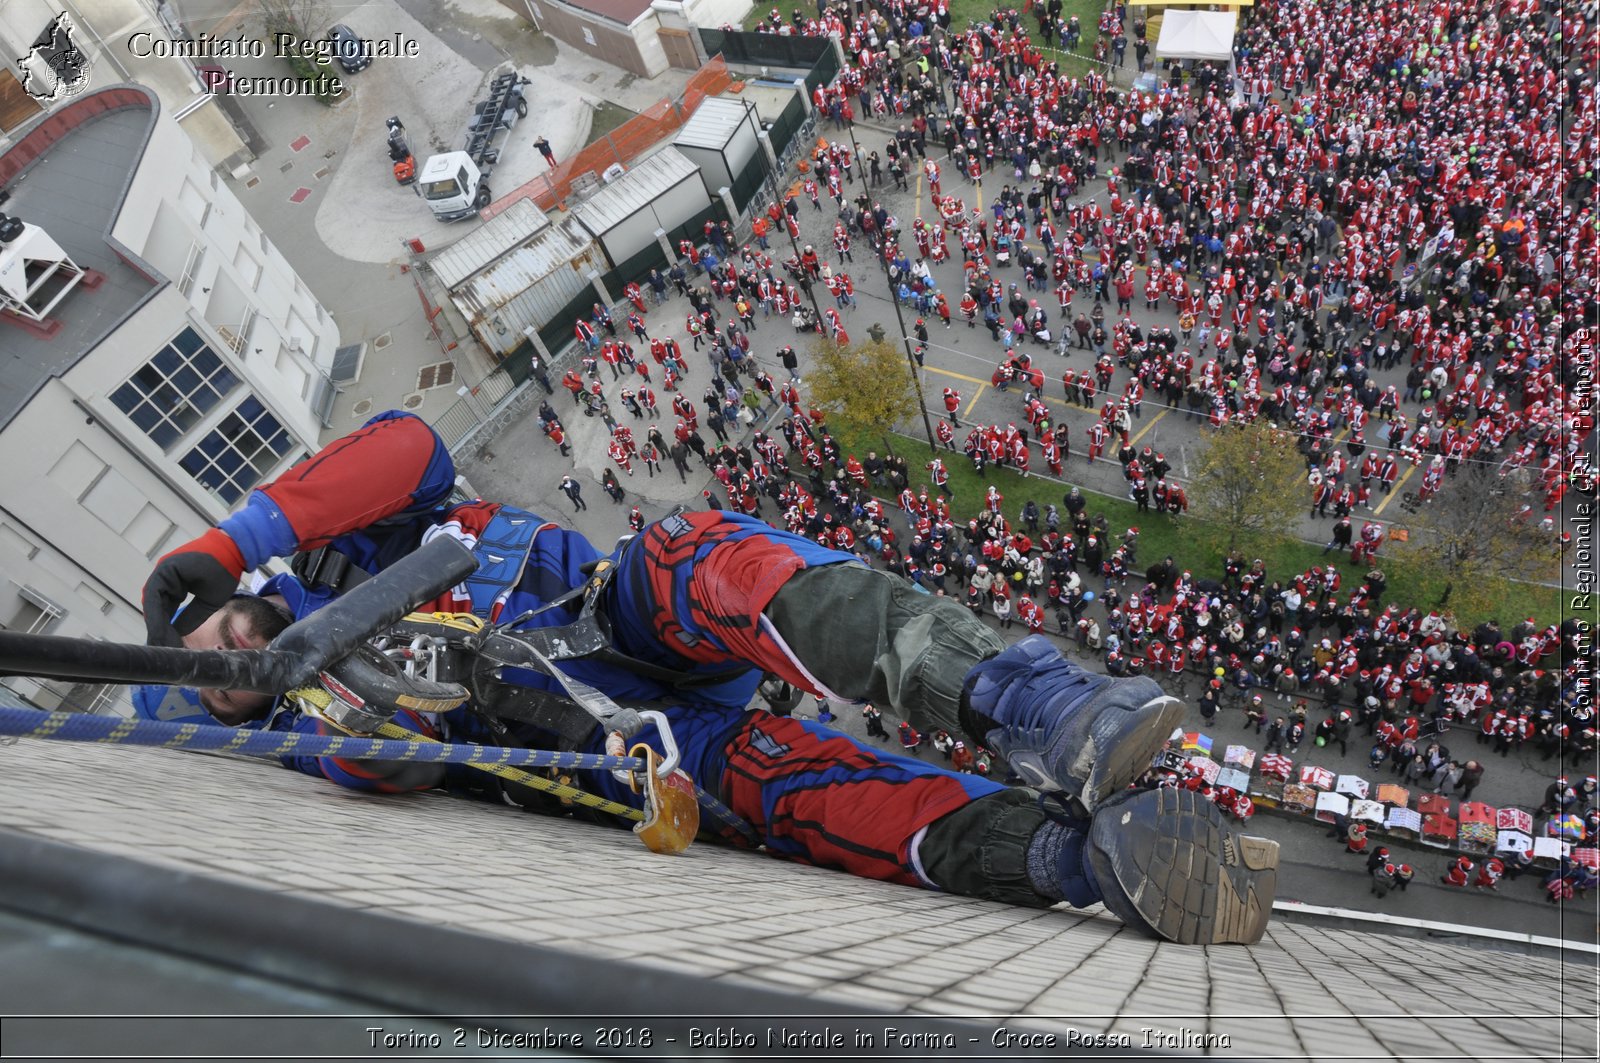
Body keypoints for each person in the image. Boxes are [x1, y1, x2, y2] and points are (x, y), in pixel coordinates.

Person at [137, 412, 1279, 945]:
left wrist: (223, 541)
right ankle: (1093, 858)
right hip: (631, 749)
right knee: (802, 798)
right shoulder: (318, 723)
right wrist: (362, 700)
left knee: (703, 553)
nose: (222, 659)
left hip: (615, 620)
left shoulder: (370, 533)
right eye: (216, 680)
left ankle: (1045, 707)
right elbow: (378, 769)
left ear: (247, 594)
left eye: (214, 633)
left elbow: (406, 442)